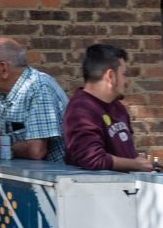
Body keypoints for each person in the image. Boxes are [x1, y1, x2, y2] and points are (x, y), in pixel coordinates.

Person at [62, 43, 155, 173]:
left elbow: (124, 153)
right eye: (124, 74)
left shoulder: (118, 107)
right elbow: (91, 158)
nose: (127, 82)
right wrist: (134, 164)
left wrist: (137, 160)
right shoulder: (80, 110)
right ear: (110, 76)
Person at [0, 37, 67, 162]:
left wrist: (2, 147)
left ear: (3, 68)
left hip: (59, 178)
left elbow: (36, 151)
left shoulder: (39, 87)